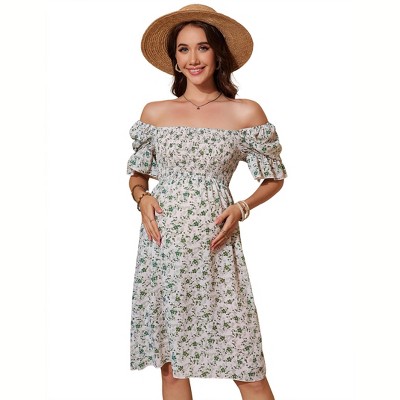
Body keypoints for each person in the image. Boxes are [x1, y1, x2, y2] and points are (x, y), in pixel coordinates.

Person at [127, 4, 287, 400]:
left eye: (202, 47)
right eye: (183, 49)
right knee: (172, 367)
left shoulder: (245, 112)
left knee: (246, 365)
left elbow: (274, 177)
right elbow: (138, 173)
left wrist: (242, 207)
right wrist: (142, 197)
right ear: (174, 58)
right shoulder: (155, 113)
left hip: (216, 245)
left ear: (218, 54)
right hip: (163, 246)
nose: (193, 58)